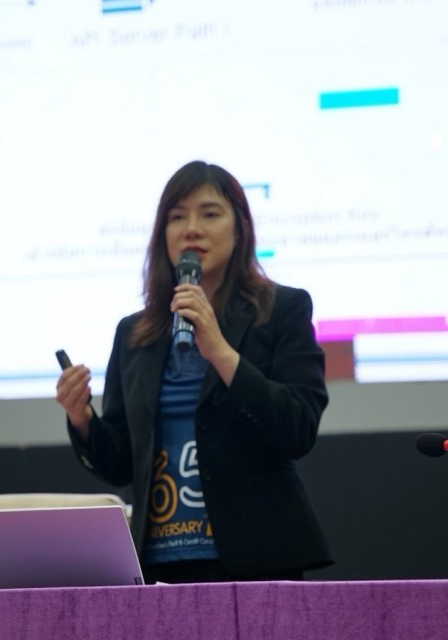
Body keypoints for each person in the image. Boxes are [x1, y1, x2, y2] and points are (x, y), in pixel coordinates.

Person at [56, 160, 333, 583]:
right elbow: (123, 464)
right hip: (160, 563)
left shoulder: (282, 310)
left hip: (257, 559)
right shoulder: (135, 334)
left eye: (209, 214)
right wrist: (82, 419)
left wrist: (220, 350)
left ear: (240, 228)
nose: (192, 229)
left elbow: (297, 428)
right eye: (177, 217)